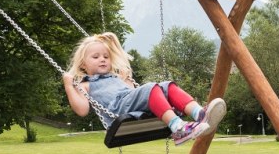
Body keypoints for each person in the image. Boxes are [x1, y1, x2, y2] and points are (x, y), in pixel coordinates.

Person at [62, 32, 226, 145]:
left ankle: (200, 114)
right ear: (83, 64)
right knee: (150, 88)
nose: (102, 60)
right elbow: (82, 110)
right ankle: (178, 127)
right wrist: (69, 86)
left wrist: (126, 79)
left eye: (106, 56)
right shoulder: (85, 85)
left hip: (130, 102)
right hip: (118, 110)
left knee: (167, 86)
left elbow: (132, 92)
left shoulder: (115, 77)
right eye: (96, 57)